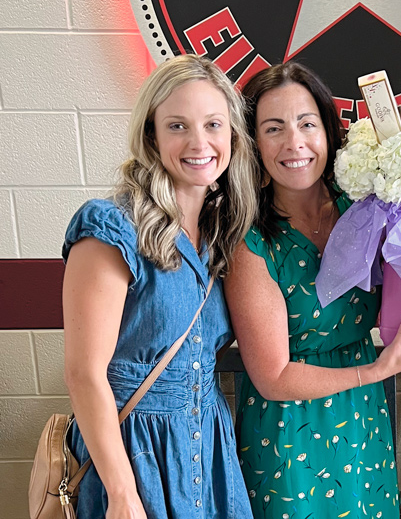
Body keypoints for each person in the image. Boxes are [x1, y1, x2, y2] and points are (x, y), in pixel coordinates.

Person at [226, 61, 401, 519]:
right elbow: (274, 378)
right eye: (273, 128)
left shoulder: (364, 212)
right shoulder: (251, 242)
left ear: (328, 131)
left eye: (308, 123)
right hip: (289, 432)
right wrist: (378, 372)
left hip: (362, 419)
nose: (295, 143)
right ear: (252, 144)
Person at [62, 54, 259, 518]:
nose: (199, 142)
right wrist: (122, 493)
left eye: (213, 124)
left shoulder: (221, 234)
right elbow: (84, 373)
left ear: (232, 133)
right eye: (177, 126)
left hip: (207, 447)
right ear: (151, 134)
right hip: (130, 453)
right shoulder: (111, 226)